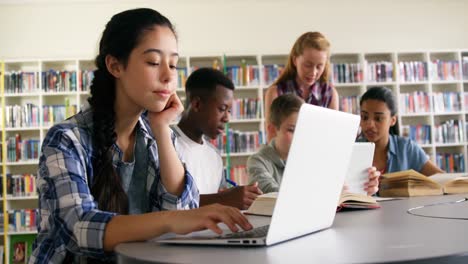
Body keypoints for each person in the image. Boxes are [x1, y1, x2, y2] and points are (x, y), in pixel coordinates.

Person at [31, 8, 251, 263]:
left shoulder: (156, 136)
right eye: (154, 62)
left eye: (173, 64)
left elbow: (184, 209)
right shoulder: (66, 140)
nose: (169, 76)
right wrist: (171, 221)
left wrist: (161, 129)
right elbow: (80, 228)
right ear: (115, 65)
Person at [247, 94, 380, 195]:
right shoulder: (257, 161)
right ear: (272, 130)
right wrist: (327, 192)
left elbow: (338, 185)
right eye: (292, 130)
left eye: (303, 129)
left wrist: (362, 185)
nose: (300, 136)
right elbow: (275, 195)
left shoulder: (312, 157)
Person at [173, 67, 263, 210]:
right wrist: (223, 199)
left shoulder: (214, 155)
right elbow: (167, 206)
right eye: (222, 109)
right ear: (197, 104)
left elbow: (219, 199)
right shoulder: (167, 145)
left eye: (229, 111)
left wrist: (238, 197)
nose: (227, 118)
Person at [264, 31, 339, 141]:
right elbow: (272, 138)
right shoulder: (275, 92)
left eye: (319, 66)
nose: (313, 72)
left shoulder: (330, 93)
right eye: (308, 65)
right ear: (295, 60)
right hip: (284, 157)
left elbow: (333, 135)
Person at [358, 86, 444, 176]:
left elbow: (441, 179)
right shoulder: (352, 149)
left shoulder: (406, 148)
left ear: (393, 120)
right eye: (364, 117)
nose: (370, 124)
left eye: (378, 118)